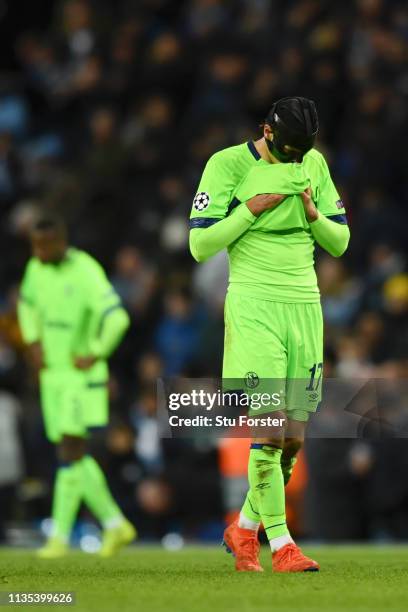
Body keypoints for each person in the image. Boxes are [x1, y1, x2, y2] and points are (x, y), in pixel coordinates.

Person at [189, 97, 350, 572]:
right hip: (254, 305)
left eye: (303, 151)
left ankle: (243, 529)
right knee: (271, 425)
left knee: (294, 439)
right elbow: (199, 245)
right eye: (290, 150)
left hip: (304, 306)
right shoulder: (227, 164)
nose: (296, 159)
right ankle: (281, 545)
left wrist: (314, 215)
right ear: (267, 131)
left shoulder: (313, 163)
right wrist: (246, 210)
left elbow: (340, 243)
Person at [18, 214, 136, 558]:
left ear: (60, 242)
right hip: (52, 376)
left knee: (70, 451)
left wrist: (96, 351)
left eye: (44, 246)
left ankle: (59, 538)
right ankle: (115, 525)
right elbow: (26, 304)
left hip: (79, 378)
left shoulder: (85, 270)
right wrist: (33, 340)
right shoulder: (35, 269)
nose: (38, 252)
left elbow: (118, 318)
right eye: (34, 246)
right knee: (71, 455)